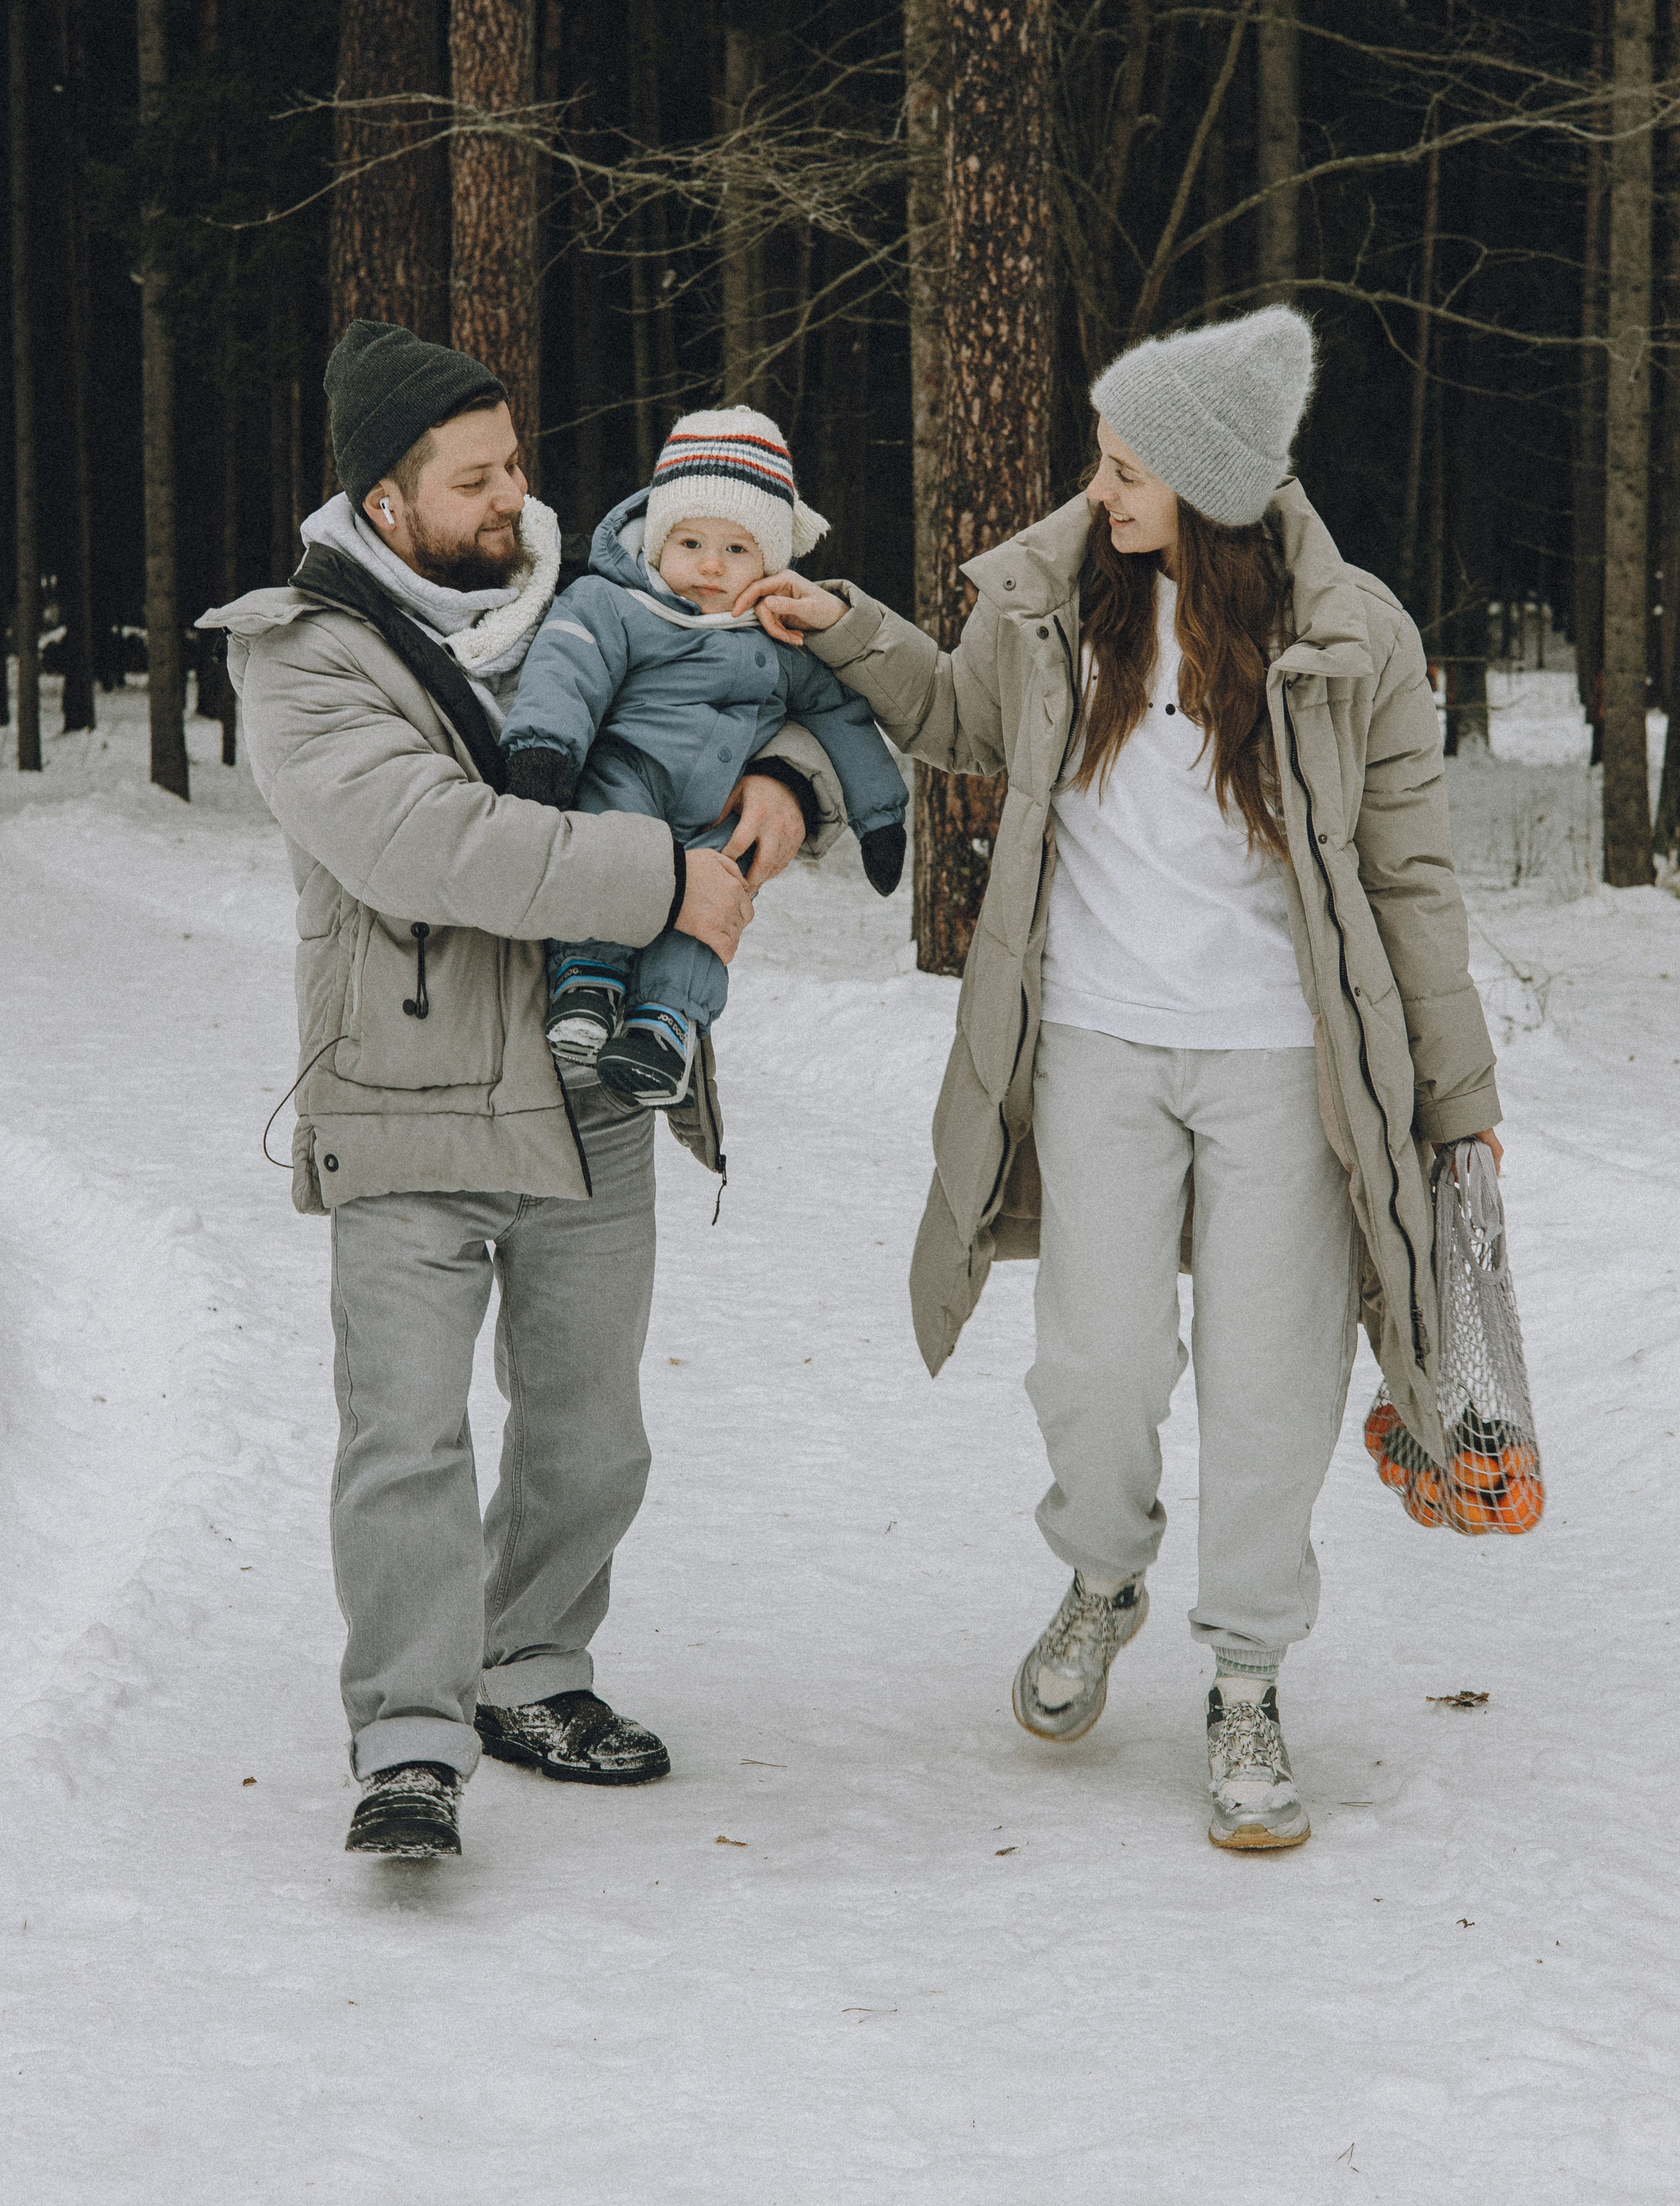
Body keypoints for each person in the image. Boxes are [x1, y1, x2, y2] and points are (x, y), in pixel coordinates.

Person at [738, 305, 1503, 1854]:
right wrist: (842, 624)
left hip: (1284, 1061)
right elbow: (956, 721)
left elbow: (1410, 875)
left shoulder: (1345, 637)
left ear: (1213, 486)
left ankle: (1242, 1675)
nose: (1099, 487)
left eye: (1128, 463)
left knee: (1270, 1380)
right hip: (1090, 1033)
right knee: (1090, 1360)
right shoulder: (1049, 606)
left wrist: (1453, 1091)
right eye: (1100, 457)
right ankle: (1100, 1572)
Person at [200, 320, 847, 1860]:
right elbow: (428, 844)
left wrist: (794, 783)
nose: (512, 498)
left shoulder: (601, 591)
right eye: (474, 479)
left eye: (515, 465)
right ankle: (410, 1736)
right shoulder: (303, 652)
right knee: (408, 1433)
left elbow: (752, 681)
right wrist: (669, 879)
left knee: (588, 1428)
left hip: (584, 1085)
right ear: (380, 501)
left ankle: (534, 1667)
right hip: (408, 1091)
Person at [499, 408, 908, 1108]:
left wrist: (881, 815)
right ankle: (588, 978)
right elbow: (566, 666)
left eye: (737, 549)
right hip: (628, 777)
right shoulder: (613, 603)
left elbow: (842, 716)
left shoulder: (781, 637)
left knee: (725, 883)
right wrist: (543, 752)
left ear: (772, 561)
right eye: (690, 541)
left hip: (720, 810)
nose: (710, 566)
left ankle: (667, 1025)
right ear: (658, 542)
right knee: (610, 827)